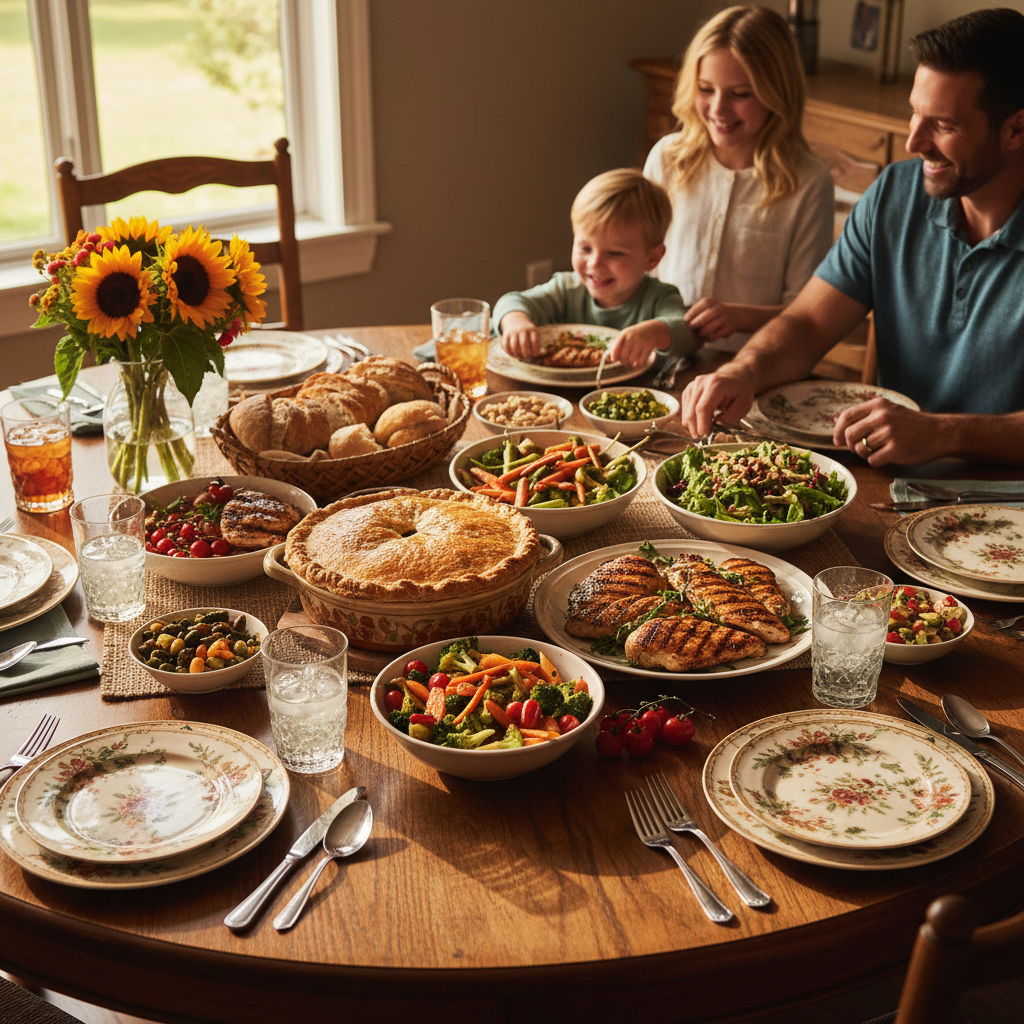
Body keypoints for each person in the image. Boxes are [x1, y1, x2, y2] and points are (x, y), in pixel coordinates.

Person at [679, 7, 1024, 467]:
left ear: (1016, 128)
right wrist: (745, 369)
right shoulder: (894, 195)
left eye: (942, 125)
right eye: (914, 115)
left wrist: (944, 433)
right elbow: (806, 325)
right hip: (889, 482)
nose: (913, 142)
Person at [644, 6, 834, 352]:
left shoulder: (807, 182)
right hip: (663, 364)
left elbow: (809, 310)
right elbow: (639, 272)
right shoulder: (667, 159)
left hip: (755, 369)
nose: (718, 108)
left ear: (777, 93)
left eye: (740, 94)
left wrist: (740, 317)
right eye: (706, 89)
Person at [494, 168, 697, 368]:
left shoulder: (659, 297)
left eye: (614, 253)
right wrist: (515, 321)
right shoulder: (566, 290)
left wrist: (653, 333)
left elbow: (688, 333)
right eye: (585, 248)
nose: (594, 263)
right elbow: (512, 301)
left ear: (652, 258)